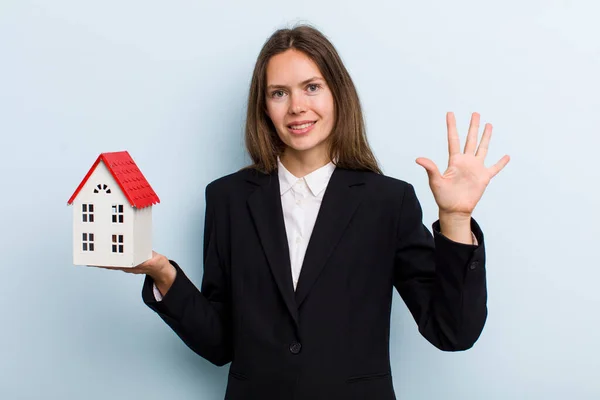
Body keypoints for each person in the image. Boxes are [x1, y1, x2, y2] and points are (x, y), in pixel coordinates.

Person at [103, 24, 509, 400]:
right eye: (279, 93)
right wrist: (164, 275)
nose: (297, 106)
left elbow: (453, 331)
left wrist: (455, 219)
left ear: (337, 94)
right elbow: (219, 344)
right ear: (264, 107)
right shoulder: (227, 198)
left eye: (311, 87)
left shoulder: (388, 202)